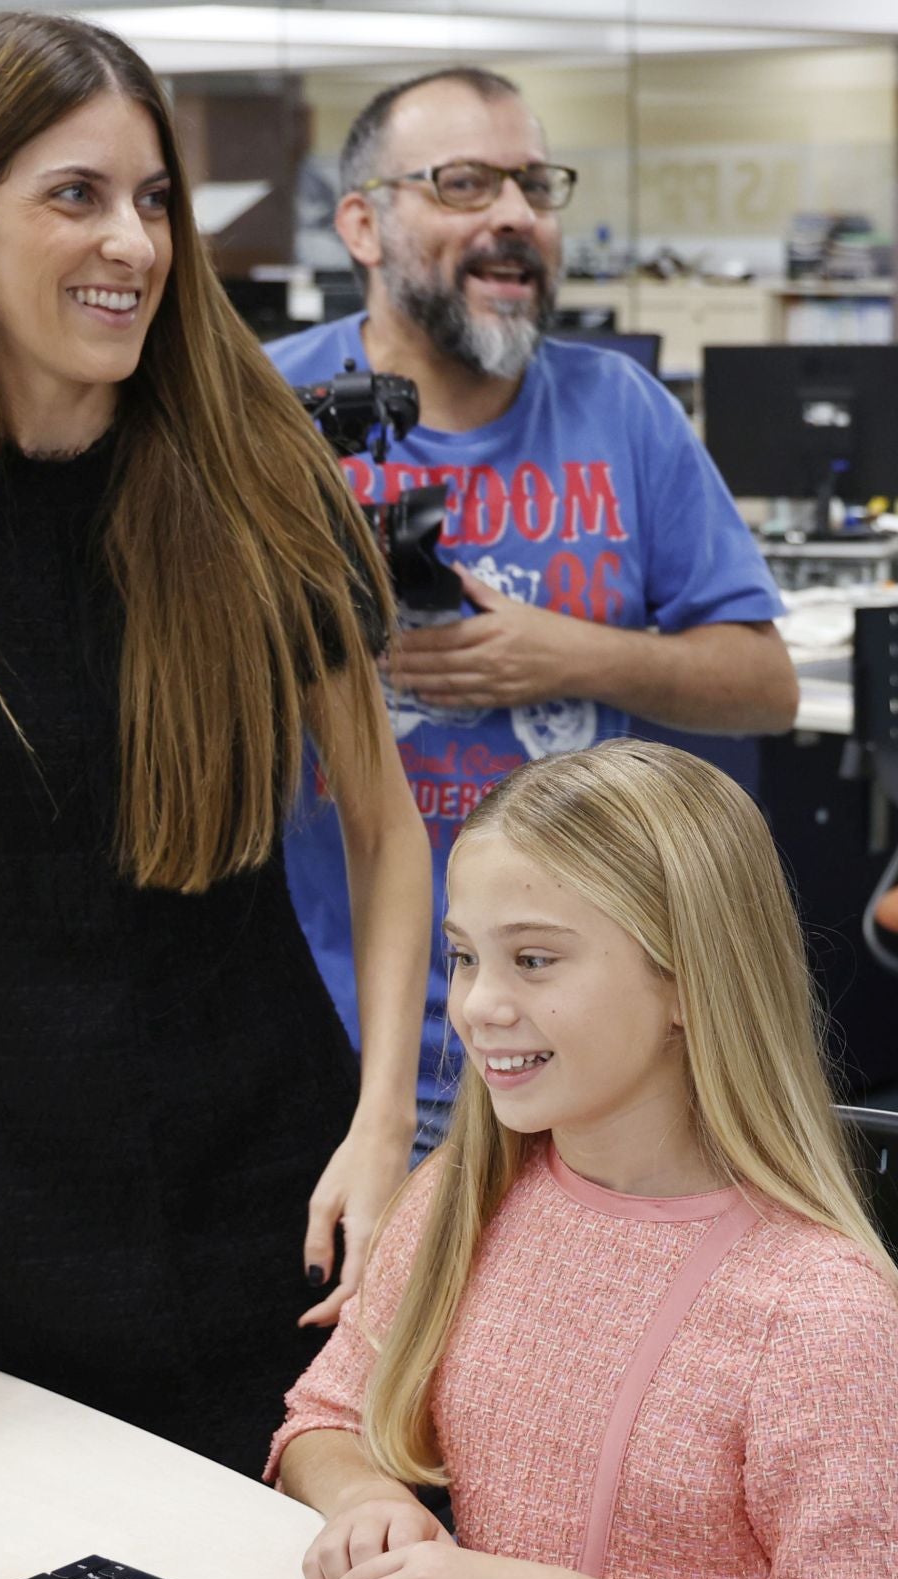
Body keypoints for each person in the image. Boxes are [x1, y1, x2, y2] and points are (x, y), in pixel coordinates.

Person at [0, 11, 432, 1476]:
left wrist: (384, 1130)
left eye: (153, 199)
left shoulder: (253, 477)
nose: (133, 241)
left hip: (272, 1175)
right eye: (75, 196)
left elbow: (384, 828)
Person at [267, 739, 898, 1579]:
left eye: (535, 961)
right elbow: (324, 1419)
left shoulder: (814, 1310)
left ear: (688, 979)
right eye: (467, 957)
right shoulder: (464, 1196)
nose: (480, 1004)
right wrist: (364, 1503)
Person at [268, 67, 800, 1159]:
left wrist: (563, 655)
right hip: (333, 1043)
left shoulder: (624, 411)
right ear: (363, 223)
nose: (513, 215)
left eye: (533, 187)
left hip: (601, 1062)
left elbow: (763, 684)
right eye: (464, 184)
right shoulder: (266, 415)